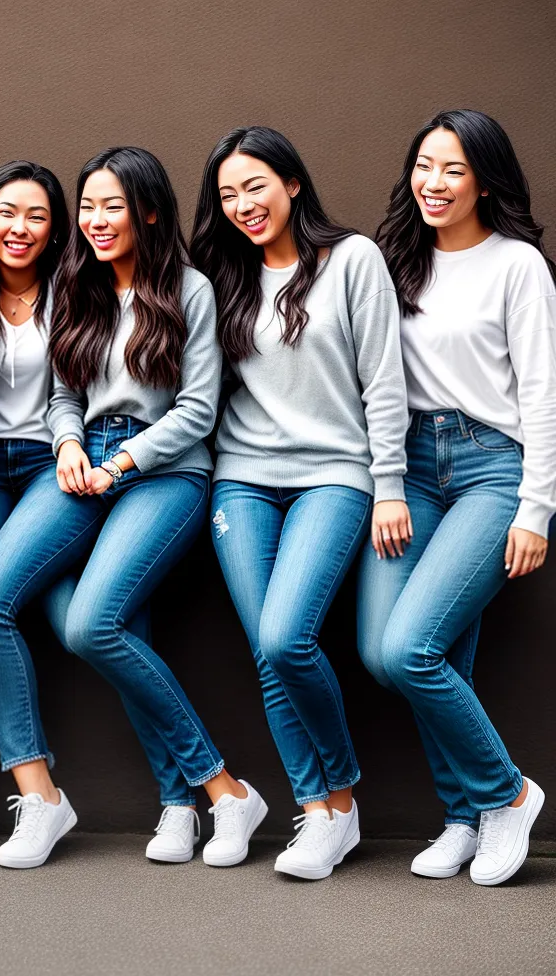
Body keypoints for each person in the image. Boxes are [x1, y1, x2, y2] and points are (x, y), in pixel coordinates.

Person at [0, 146, 265, 869]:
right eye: (89, 206)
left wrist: (122, 462)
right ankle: (57, 800)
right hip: (82, 465)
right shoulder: (80, 285)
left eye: (113, 206)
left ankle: (217, 791)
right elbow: (65, 393)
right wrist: (69, 446)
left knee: (95, 623)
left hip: (165, 474)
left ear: (149, 212)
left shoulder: (188, 290)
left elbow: (197, 410)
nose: (95, 221)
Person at [190, 126, 410, 879]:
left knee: (287, 638)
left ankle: (341, 803)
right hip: (241, 479)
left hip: (335, 477)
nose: (243, 205)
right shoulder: (222, 276)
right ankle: (315, 812)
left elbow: (385, 382)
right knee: (267, 652)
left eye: (254, 186)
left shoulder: (352, 261)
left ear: (291, 182)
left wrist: (390, 486)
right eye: (227, 196)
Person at [358, 110, 553, 885]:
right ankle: (465, 817)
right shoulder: (393, 260)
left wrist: (536, 508)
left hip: (489, 468)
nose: (434, 184)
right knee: (388, 651)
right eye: (425, 166)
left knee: (414, 647)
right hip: (408, 469)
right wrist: (385, 481)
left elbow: (542, 395)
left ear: (484, 181)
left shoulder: (517, 266)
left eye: (454, 170)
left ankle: (505, 796)